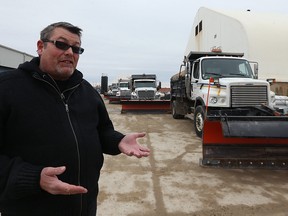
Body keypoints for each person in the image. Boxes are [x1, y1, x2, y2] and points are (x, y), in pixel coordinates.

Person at [0, 22, 150, 216]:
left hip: (84, 207)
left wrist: (117, 140)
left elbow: (101, 130)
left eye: (76, 48)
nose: (70, 52)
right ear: (40, 46)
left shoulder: (87, 91)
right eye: (61, 44)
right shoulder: (7, 89)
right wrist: (34, 178)